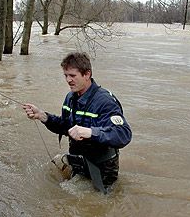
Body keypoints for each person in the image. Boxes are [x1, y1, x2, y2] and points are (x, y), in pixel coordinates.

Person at [23, 52, 132, 193]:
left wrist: (91, 132)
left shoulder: (105, 101)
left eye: (72, 76)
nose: (68, 80)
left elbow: (123, 134)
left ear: (87, 74)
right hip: (79, 161)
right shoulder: (70, 97)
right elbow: (65, 126)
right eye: (66, 75)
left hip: (102, 169)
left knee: (98, 205)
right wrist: (43, 116)